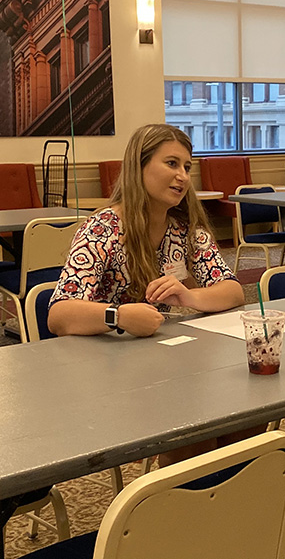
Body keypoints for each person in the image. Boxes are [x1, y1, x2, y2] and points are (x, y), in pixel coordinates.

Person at [47, 123, 247, 465]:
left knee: (245, 419)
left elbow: (232, 291)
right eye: (171, 164)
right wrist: (119, 317)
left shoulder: (185, 230)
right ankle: (181, 508)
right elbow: (59, 315)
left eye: (187, 167)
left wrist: (189, 297)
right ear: (139, 167)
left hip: (174, 364)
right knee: (192, 430)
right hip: (113, 372)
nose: (183, 176)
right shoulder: (103, 230)